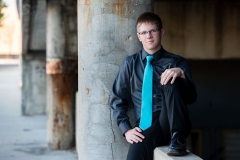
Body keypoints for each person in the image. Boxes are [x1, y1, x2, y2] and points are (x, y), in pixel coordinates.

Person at [110, 12, 197, 160]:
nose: (149, 36)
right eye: (144, 32)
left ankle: (178, 138)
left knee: (171, 76)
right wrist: (126, 130)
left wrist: (181, 74)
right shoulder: (130, 64)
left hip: (170, 122)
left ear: (161, 32)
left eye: (153, 31)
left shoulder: (176, 62)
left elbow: (191, 97)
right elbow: (117, 99)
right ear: (139, 36)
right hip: (146, 128)